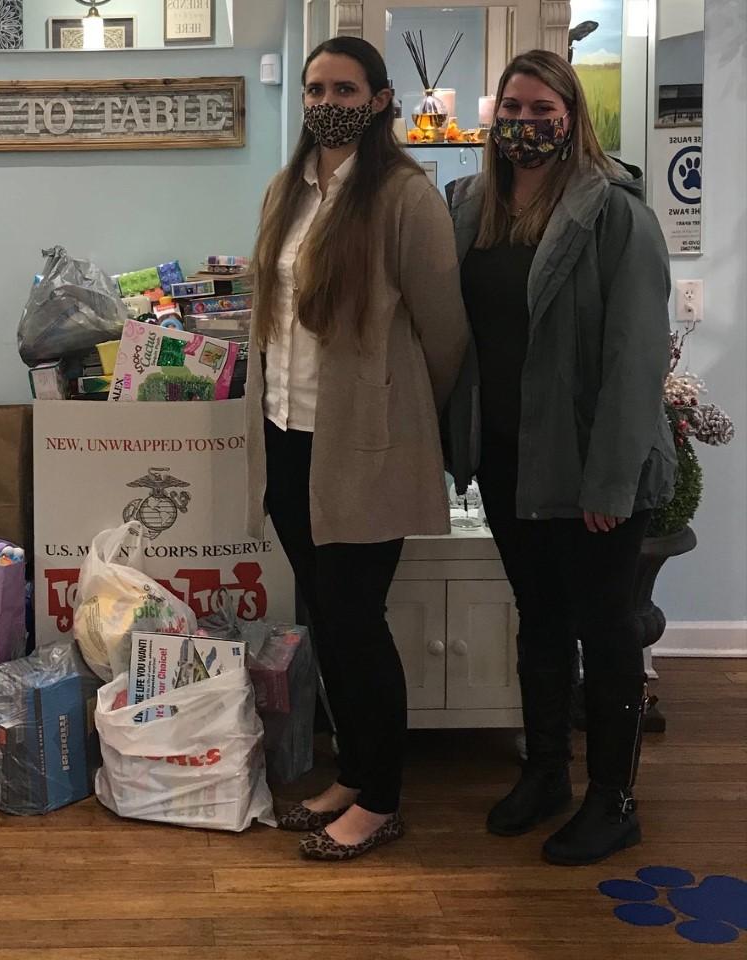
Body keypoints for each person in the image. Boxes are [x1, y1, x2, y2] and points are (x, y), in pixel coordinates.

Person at [447, 49, 675, 866]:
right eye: (512, 107)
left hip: (593, 465)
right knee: (539, 618)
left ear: (572, 117)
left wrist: (610, 481)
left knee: (607, 631)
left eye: (543, 109)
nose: (526, 123)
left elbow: (636, 358)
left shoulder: (615, 213)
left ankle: (614, 799)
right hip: (512, 458)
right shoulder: (469, 207)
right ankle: (545, 772)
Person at [244, 36, 468, 861]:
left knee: (356, 621)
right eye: (315, 89)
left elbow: (445, 334)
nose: (326, 102)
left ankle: (381, 799)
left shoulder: (406, 198)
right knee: (326, 620)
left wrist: (398, 414)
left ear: (379, 100)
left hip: (362, 447)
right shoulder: (287, 190)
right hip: (286, 438)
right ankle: (353, 773)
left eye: (344, 89)